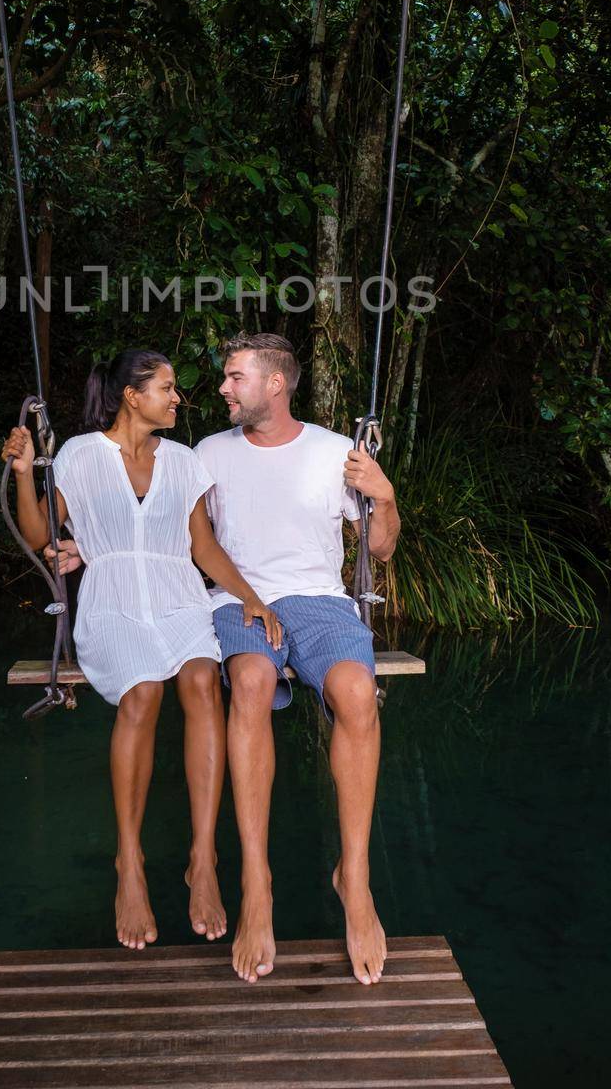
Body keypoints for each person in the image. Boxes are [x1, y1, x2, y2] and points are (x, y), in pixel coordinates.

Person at [0, 348, 281, 954]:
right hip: (112, 603)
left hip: (181, 600)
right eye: (167, 388)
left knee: (203, 680)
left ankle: (202, 857)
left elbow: (202, 546)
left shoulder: (182, 462)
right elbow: (41, 534)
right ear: (132, 396)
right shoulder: (78, 454)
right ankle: (129, 860)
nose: (178, 398)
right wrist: (25, 473)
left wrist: (250, 597)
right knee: (144, 690)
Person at [194, 331, 401, 987]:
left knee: (356, 694)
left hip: (319, 602)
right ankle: (257, 884)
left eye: (234, 377)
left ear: (274, 384)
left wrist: (385, 496)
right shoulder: (207, 454)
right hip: (235, 601)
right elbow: (179, 535)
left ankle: (355, 878)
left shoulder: (334, 451)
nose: (223, 389)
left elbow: (384, 548)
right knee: (250, 680)